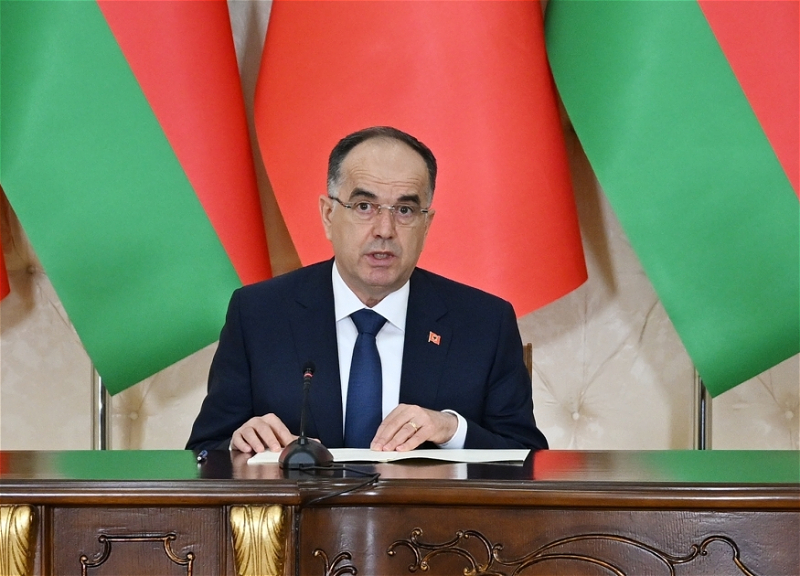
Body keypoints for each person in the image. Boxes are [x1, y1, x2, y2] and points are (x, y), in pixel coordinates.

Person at [187, 126, 548, 453]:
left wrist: (452, 429)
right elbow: (204, 450)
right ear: (328, 215)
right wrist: (237, 443)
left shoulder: (484, 323)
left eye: (405, 210)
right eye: (364, 206)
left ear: (426, 224)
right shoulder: (258, 314)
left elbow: (528, 458)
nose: (384, 230)